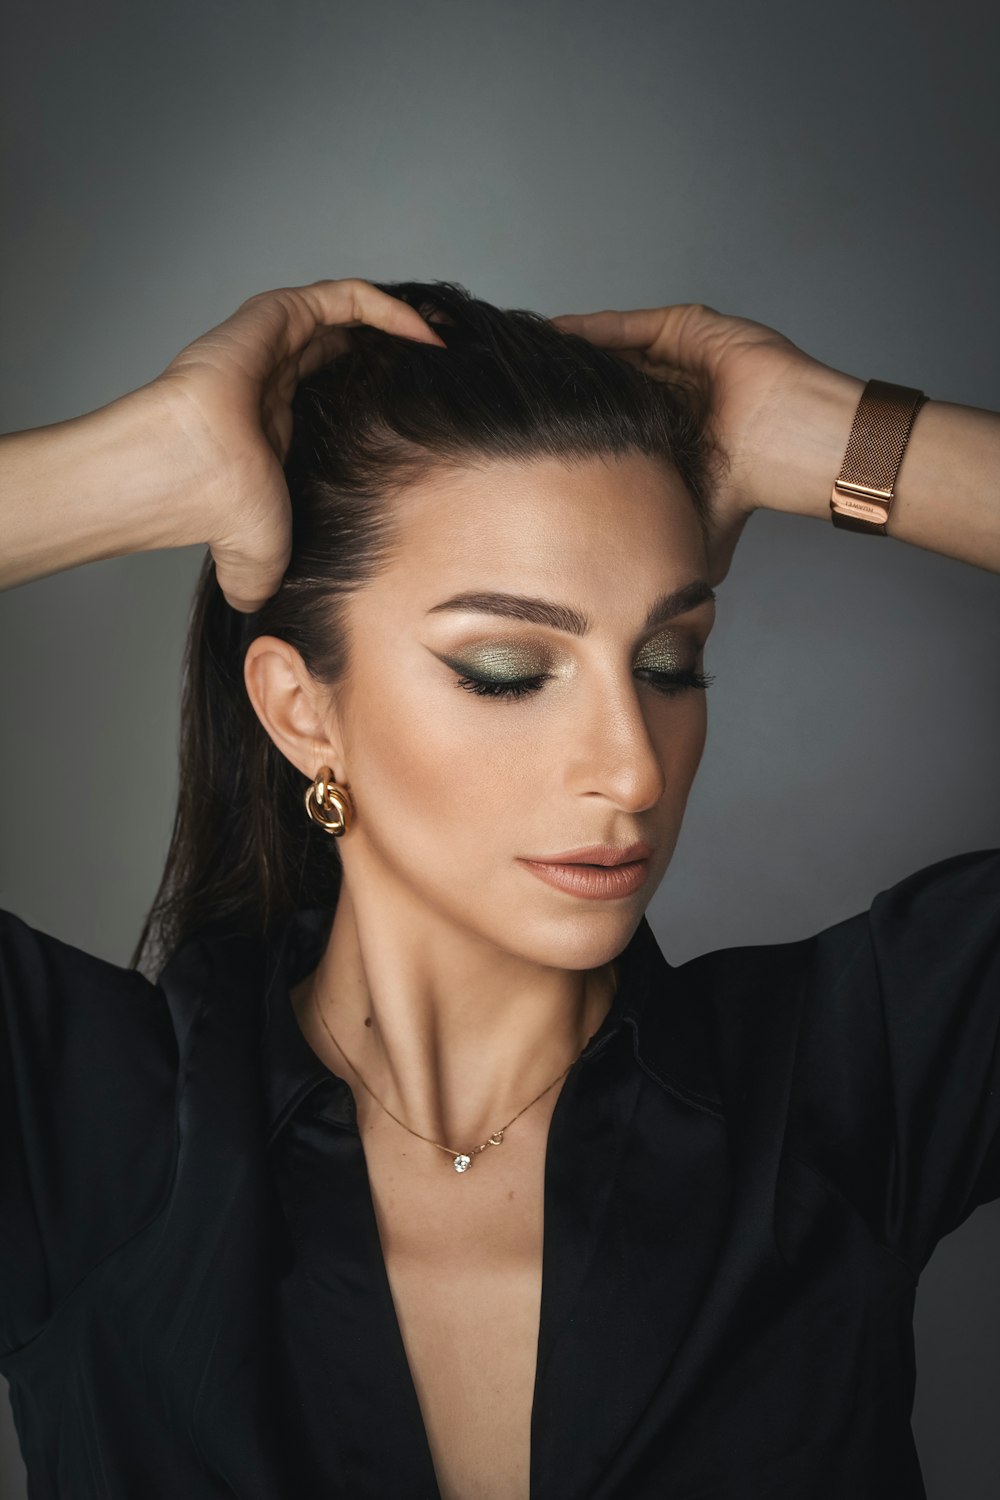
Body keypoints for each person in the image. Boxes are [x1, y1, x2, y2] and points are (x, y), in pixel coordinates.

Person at [0, 276, 997, 1500]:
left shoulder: (851, 1080)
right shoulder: (78, 1138)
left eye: (669, 664)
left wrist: (841, 440)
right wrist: (146, 461)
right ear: (301, 713)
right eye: (508, 670)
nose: (632, 766)